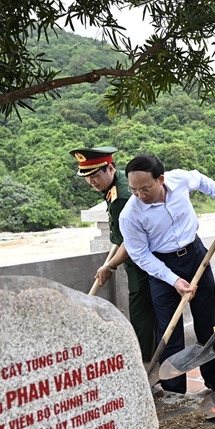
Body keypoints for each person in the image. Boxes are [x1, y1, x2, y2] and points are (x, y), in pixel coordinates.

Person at [119, 153, 215, 394]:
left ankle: (214, 378)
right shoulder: (130, 214)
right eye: (134, 190)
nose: (140, 195)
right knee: (170, 329)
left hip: (197, 255)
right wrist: (173, 279)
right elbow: (140, 255)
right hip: (161, 267)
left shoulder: (178, 180)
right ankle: (174, 389)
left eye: (145, 189)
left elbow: (202, 180)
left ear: (161, 179)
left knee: (208, 323)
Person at [70, 147, 157, 362]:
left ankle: (144, 362)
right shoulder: (116, 185)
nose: (92, 182)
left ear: (110, 168)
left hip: (142, 260)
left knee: (141, 312)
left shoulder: (123, 196)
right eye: (87, 177)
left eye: (95, 175)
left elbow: (132, 240)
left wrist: (110, 266)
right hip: (138, 256)